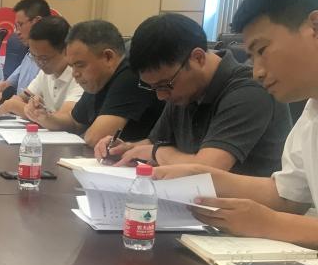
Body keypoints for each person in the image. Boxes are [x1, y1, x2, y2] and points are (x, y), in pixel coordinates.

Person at [150, 0, 318, 265]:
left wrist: (270, 224)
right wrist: (207, 177)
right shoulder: (311, 112)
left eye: (262, 50)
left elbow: (280, 213)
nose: (257, 70)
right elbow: (288, 194)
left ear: (314, 27)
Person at [96, 13, 290, 176]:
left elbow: (208, 169)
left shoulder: (249, 91)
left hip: (245, 207)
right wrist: (126, 149)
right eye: (154, 88)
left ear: (198, 58)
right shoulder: (182, 88)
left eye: (164, 85)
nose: (161, 96)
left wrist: (157, 153)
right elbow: (153, 142)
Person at [59, 19, 164, 146]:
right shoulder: (98, 80)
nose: (75, 73)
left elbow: (96, 138)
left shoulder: (131, 75)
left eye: (80, 65)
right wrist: (45, 116)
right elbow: (75, 123)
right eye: (72, 66)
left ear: (108, 57)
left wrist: (84, 135)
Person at [0, 16, 84, 126]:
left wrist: (12, 105)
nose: (39, 63)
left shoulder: (80, 76)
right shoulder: (47, 71)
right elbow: (23, 98)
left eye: (44, 58)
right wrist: (30, 106)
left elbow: (66, 121)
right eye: (34, 56)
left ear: (66, 50)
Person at [0, 0, 52, 99]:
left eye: (20, 25)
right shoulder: (29, 54)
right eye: (16, 27)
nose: (17, 32)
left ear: (37, 22)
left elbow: (30, 102)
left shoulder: (49, 61)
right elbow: (6, 85)